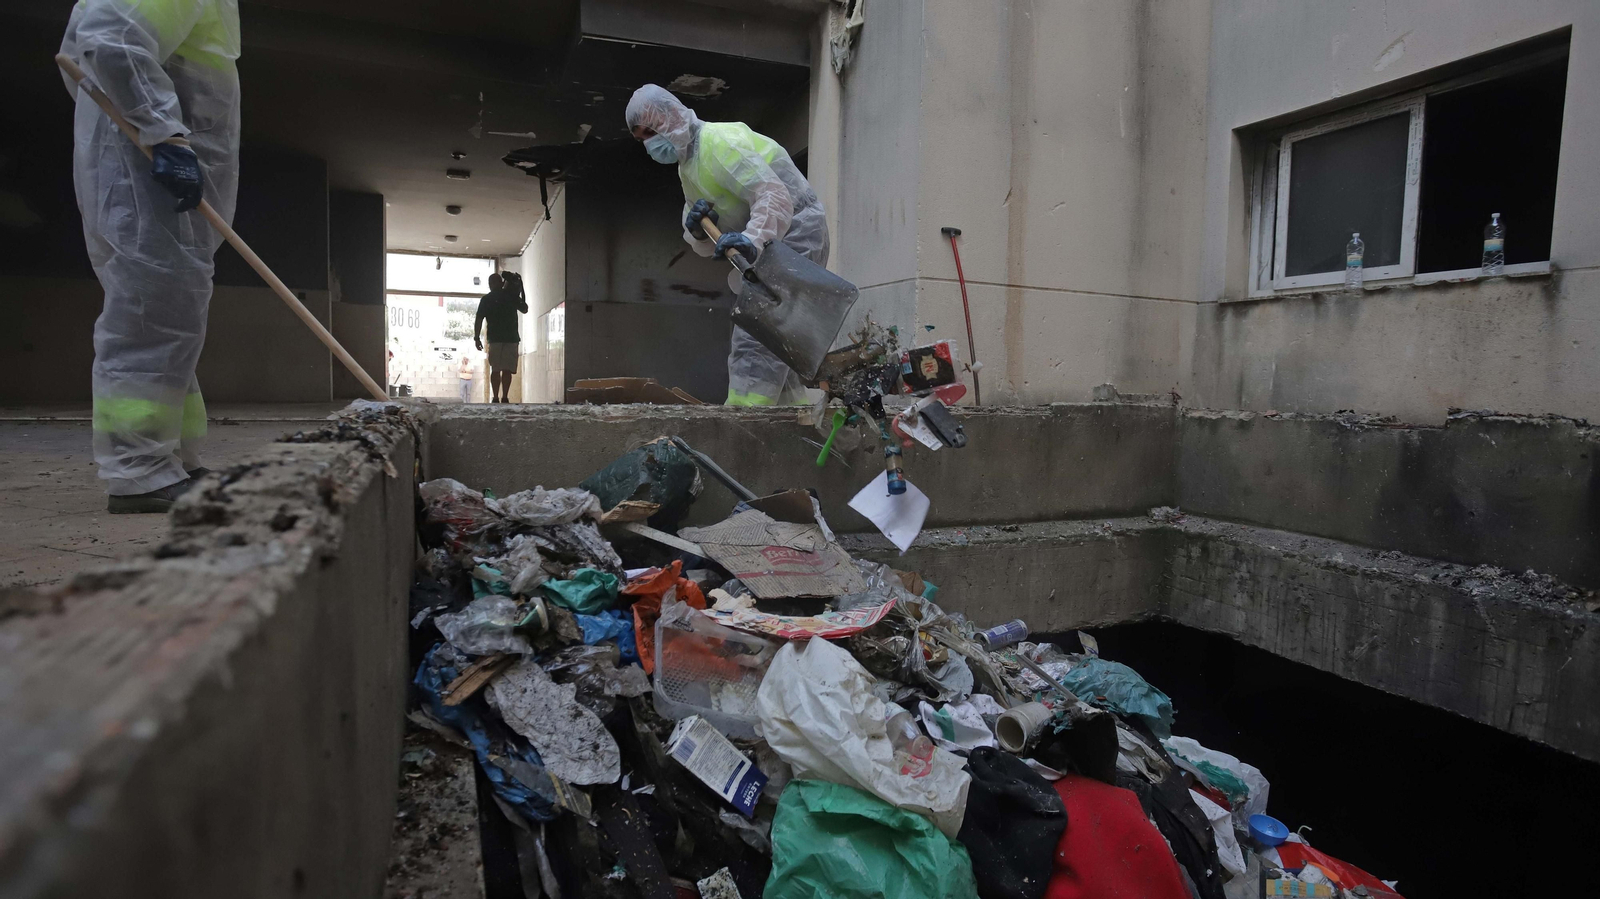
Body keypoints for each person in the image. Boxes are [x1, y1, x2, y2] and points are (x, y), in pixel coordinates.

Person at [61, 0, 242, 513]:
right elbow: (111, 36)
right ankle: (138, 471)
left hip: (148, 174)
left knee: (171, 319)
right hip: (146, 175)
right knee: (151, 318)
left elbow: (88, 47)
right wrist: (163, 133)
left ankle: (173, 459)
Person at [626, 84, 829, 406]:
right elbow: (710, 244)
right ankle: (791, 412)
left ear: (670, 117)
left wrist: (752, 239)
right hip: (773, 239)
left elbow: (774, 197)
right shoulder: (688, 168)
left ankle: (743, 417)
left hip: (797, 231)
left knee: (760, 327)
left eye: (650, 132)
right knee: (778, 337)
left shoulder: (719, 142)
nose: (650, 145)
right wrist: (698, 231)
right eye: (642, 140)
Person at [474, 271, 527, 403]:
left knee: (496, 369)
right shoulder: (511, 296)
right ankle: (505, 397)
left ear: (490, 285)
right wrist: (518, 292)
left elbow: (479, 319)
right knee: (507, 370)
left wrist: (477, 338)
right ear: (502, 283)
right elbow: (524, 309)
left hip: (495, 339)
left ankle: (496, 397)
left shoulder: (486, 299)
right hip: (511, 338)